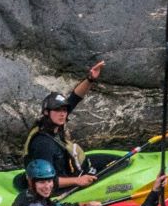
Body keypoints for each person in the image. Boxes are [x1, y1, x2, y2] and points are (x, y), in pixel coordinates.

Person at [25, 61, 107, 191]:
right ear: (46, 112)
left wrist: (90, 79)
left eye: (64, 110)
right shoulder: (43, 144)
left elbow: (75, 97)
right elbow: (46, 181)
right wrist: (78, 180)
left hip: (69, 169)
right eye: (58, 110)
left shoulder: (53, 123)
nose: (62, 114)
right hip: (59, 186)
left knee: (114, 161)